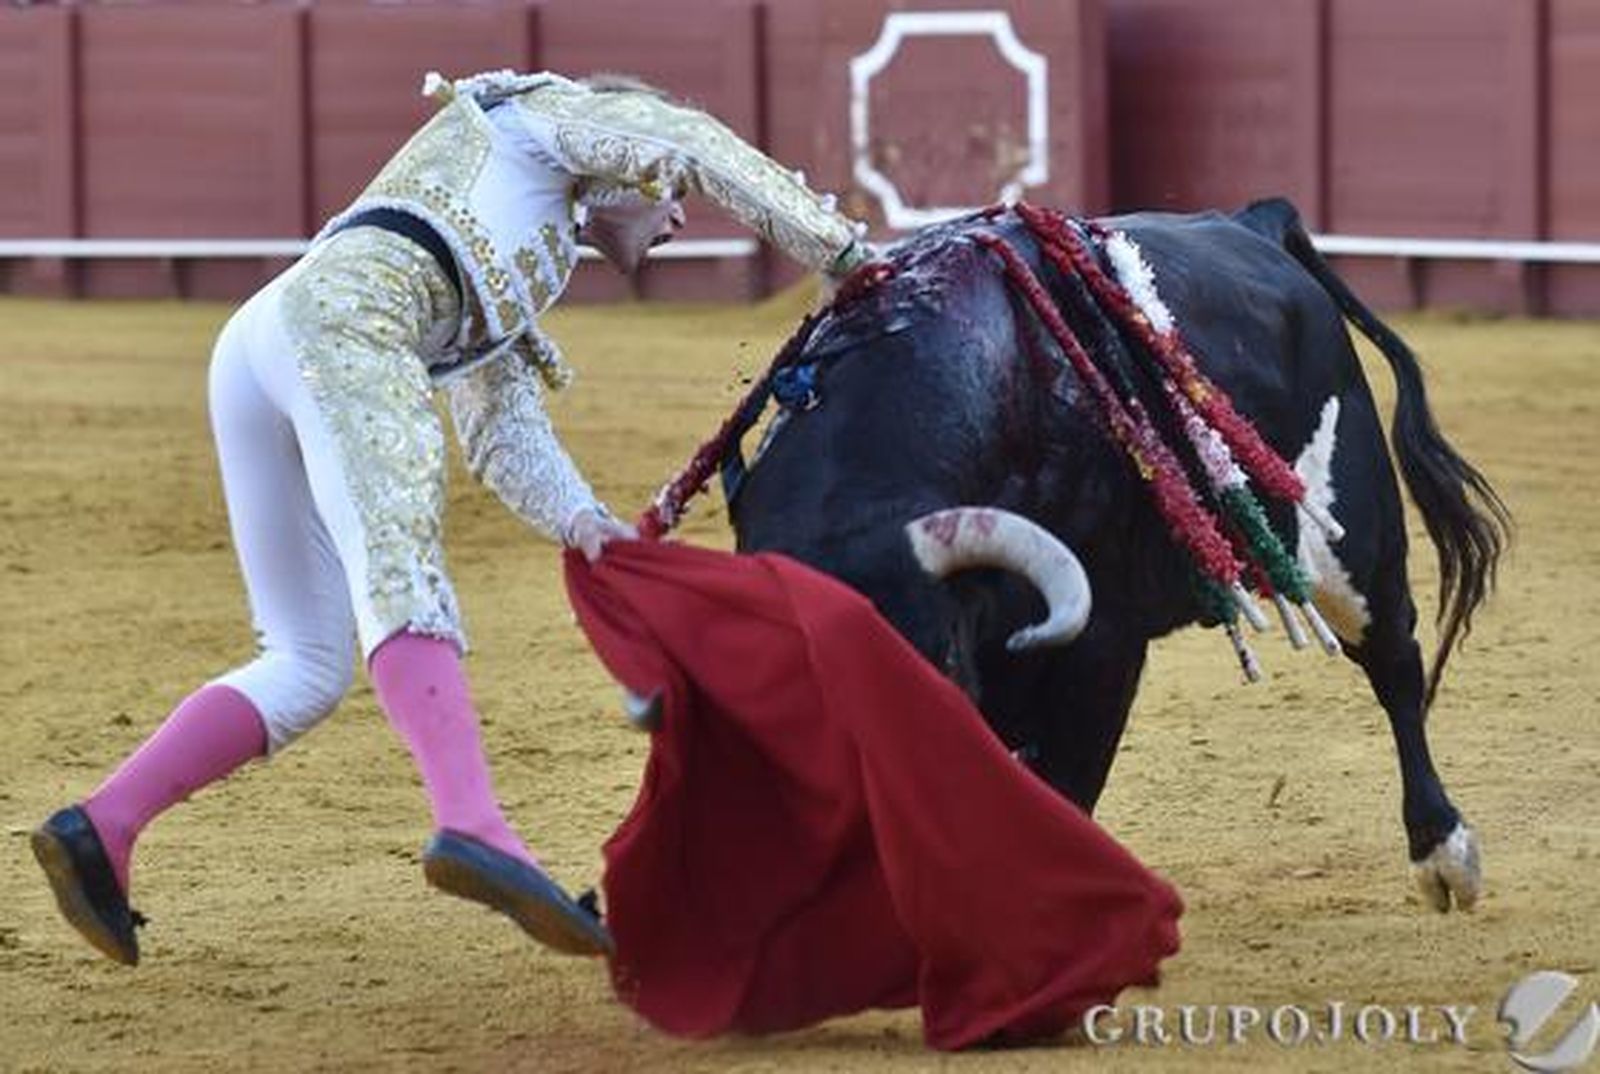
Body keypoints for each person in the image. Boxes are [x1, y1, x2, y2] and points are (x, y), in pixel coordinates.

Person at [32, 69, 871, 966]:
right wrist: (846, 255)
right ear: (625, 169)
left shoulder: (523, 237)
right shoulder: (546, 120)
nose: (674, 220)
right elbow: (692, 144)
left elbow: (501, 429)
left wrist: (587, 521)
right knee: (400, 563)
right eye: (667, 204)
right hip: (343, 326)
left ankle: (103, 827)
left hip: (267, 340)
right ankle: (473, 823)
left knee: (307, 662)